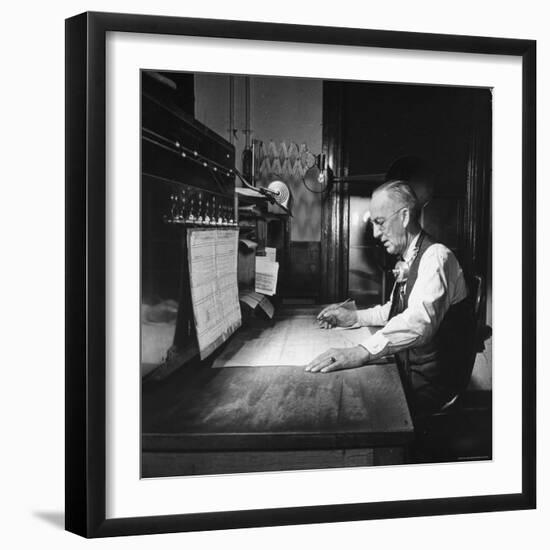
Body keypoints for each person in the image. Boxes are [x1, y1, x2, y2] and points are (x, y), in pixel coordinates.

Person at [305, 180, 475, 417]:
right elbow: (394, 311)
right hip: (409, 372)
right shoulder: (411, 257)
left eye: (380, 222)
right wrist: (353, 317)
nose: (375, 233)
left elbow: (418, 322)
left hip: (429, 386)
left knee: (350, 408)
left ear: (404, 217)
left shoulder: (436, 257)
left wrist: (362, 351)